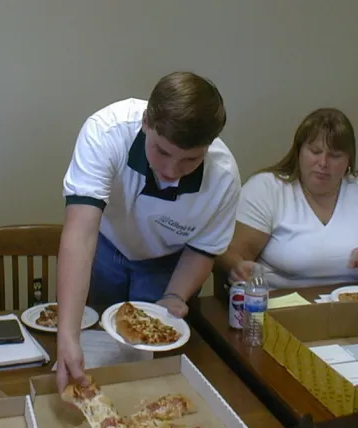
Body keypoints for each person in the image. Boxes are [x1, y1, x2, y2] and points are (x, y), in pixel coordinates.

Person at [56, 72, 241, 391]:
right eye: (163, 152)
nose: (171, 171)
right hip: (105, 245)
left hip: (169, 262)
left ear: (208, 147)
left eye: (190, 160)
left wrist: (174, 295)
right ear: (146, 122)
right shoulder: (106, 132)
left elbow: (203, 248)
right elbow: (80, 234)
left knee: (154, 365)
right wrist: (67, 336)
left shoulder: (223, 178)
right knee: (95, 346)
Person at [216, 107, 358, 288]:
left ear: (348, 161)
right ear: (299, 152)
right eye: (315, 151)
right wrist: (239, 267)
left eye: (335, 155)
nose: (323, 163)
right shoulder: (267, 189)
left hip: (353, 307)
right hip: (279, 308)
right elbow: (231, 253)